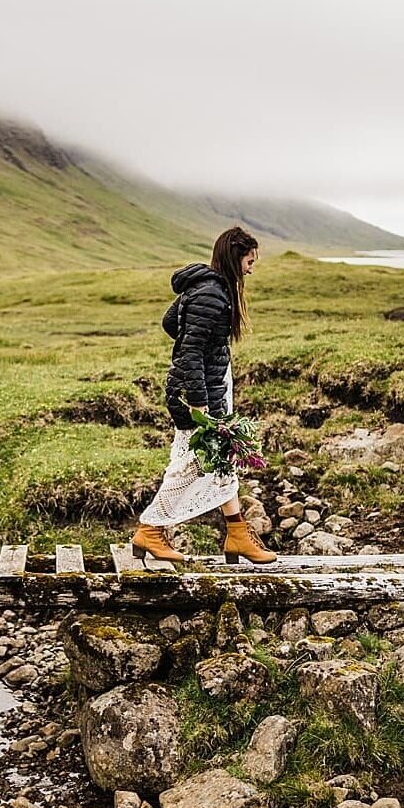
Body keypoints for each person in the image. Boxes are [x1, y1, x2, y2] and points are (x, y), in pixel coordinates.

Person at [132, 226, 276, 566]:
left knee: (222, 457)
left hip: (208, 389)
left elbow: (172, 323)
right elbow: (191, 351)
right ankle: (151, 530)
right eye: (249, 261)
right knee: (191, 462)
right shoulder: (211, 294)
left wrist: (203, 348)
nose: (252, 268)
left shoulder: (206, 288)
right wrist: (200, 405)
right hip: (198, 396)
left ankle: (237, 534)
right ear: (234, 257)